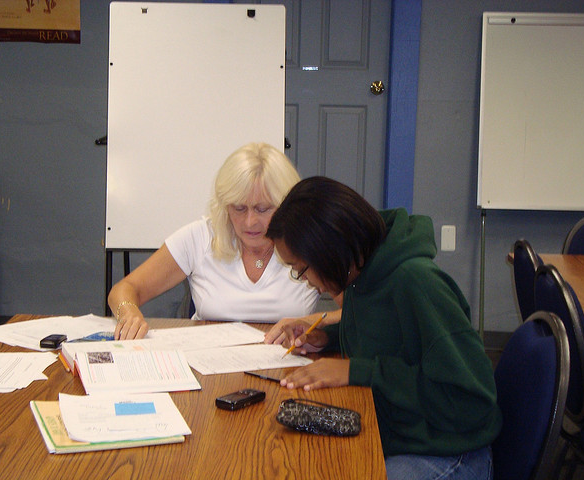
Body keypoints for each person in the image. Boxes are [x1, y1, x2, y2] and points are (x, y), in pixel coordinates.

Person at [264, 176, 502, 480]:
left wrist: (357, 371)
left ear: (329, 250)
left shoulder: (417, 282)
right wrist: (329, 338)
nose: (303, 279)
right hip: (402, 433)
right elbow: (390, 340)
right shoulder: (361, 275)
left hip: (452, 452)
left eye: (300, 269)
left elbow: (471, 400)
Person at [107, 143, 320, 340]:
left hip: (289, 365)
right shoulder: (200, 237)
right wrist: (129, 313)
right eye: (239, 208)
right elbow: (125, 288)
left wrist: (312, 323)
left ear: (285, 205)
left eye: (262, 209)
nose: (250, 222)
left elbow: (351, 307)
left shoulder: (310, 241)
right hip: (210, 368)